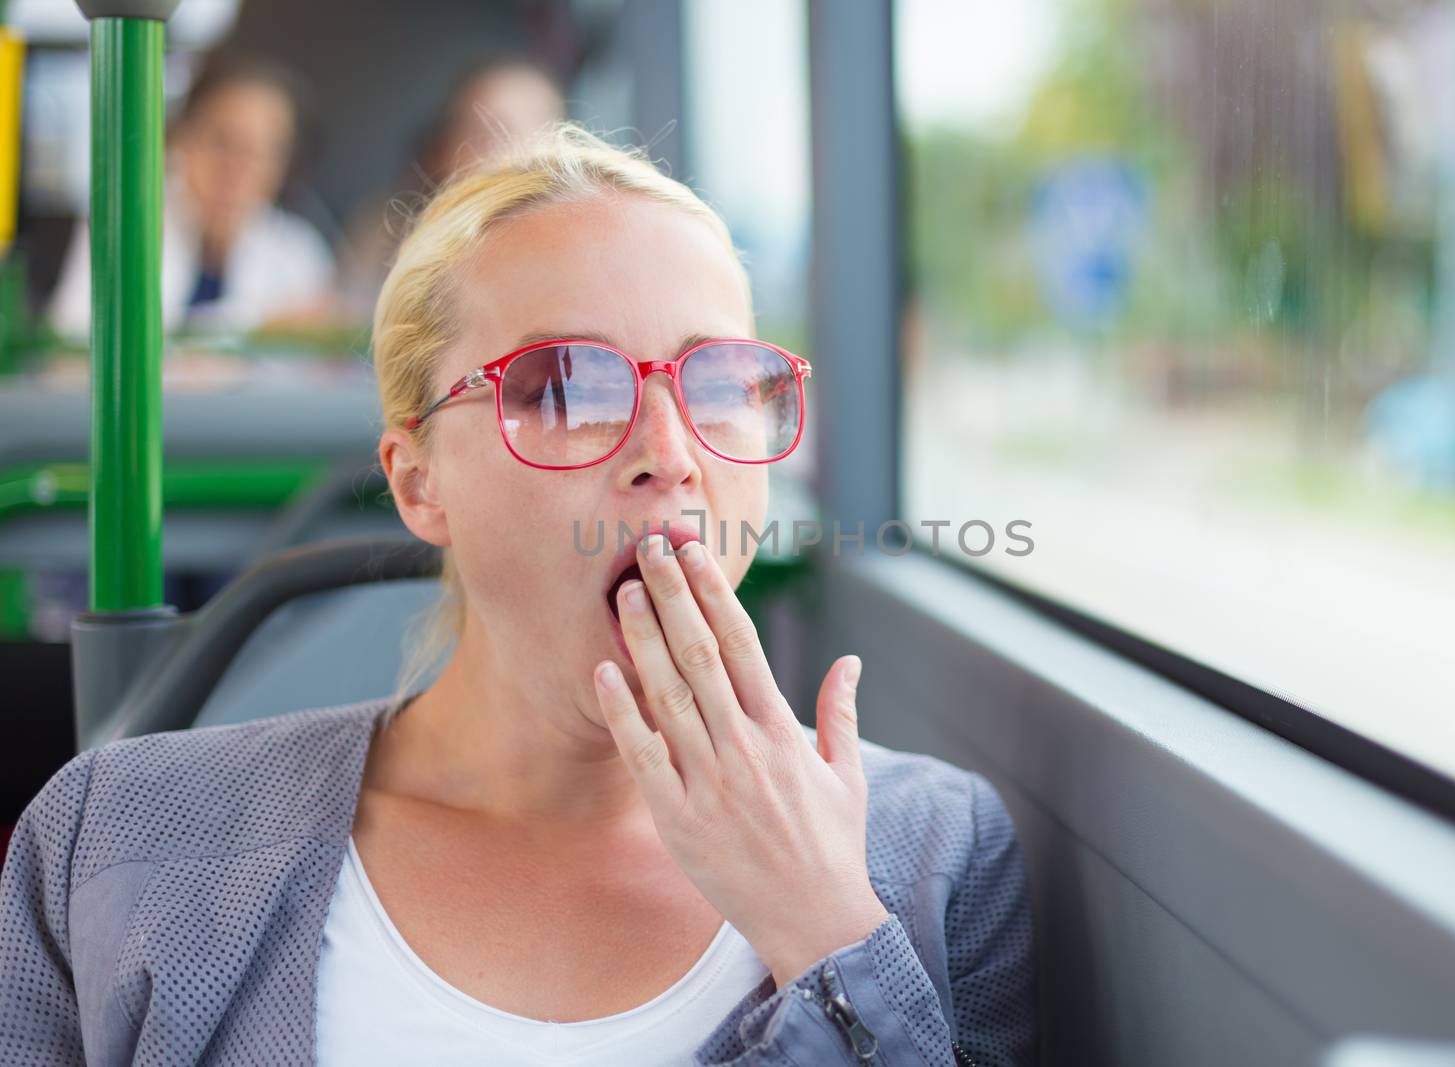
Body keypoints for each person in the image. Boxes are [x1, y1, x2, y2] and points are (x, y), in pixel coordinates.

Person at [0, 122, 1037, 1065]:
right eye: (567, 388)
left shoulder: (932, 858)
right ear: (419, 481)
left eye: (719, 381)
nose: (670, 454)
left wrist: (824, 928)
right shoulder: (118, 843)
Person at [46, 53, 336, 338]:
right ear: (179, 139)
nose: (238, 169)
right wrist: (260, 327)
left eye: (264, 152)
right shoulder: (123, 227)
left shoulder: (299, 254)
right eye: (223, 142)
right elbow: (79, 345)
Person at [336, 55, 566, 323]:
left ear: (558, 149)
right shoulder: (388, 228)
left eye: (508, 132)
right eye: (476, 133)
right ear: (444, 146)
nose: (491, 155)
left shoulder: (575, 250)